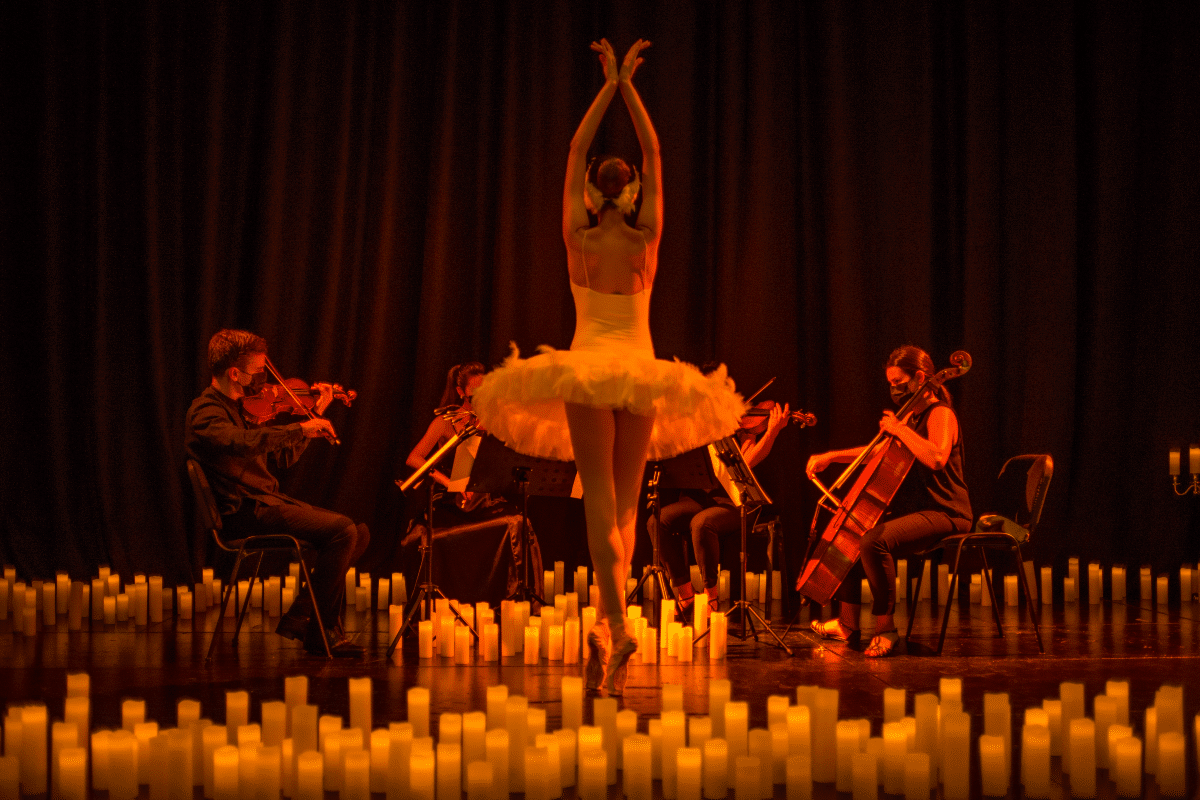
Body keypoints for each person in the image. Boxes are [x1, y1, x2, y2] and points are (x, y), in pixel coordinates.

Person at [471, 39, 745, 695]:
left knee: (601, 501)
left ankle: (616, 622)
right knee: (626, 508)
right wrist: (630, 88)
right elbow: (653, 153)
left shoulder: (580, 238)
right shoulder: (647, 237)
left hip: (590, 370)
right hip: (644, 373)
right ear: (636, 191)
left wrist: (605, 86)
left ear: (593, 193)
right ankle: (607, 621)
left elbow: (572, 153)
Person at [185, 329, 370, 657]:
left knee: (357, 532)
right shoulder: (206, 412)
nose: (263, 379)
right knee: (342, 531)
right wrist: (300, 427)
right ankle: (320, 629)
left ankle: (302, 617)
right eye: (257, 371)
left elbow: (282, 457)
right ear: (235, 373)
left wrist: (315, 416)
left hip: (265, 503)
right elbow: (241, 444)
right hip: (242, 512)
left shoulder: (244, 409)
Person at [804, 346, 972, 657]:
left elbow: (936, 458)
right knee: (853, 534)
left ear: (920, 378)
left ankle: (886, 629)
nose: (893, 389)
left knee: (873, 542)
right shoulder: (911, 417)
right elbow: (876, 453)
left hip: (947, 511)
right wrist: (831, 457)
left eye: (899, 382)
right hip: (919, 509)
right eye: (890, 383)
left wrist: (899, 429)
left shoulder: (941, 414)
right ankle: (847, 623)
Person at [654, 394, 792, 612]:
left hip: (734, 503)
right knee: (657, 520)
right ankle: (685, 592)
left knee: (702, 523)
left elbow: (745, 465)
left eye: (757, 413)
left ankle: (711, 597)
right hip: (700, 498)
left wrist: (772, 431)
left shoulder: (751, 438)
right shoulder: (716, 427)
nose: (749, 415)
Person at [405, 362, 492, 514]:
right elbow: (413, 458)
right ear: (461, 391)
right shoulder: (445, 422)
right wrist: (448, 482)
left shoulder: (490, 420)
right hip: (451, 498)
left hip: (482, 497)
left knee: (514, 522)